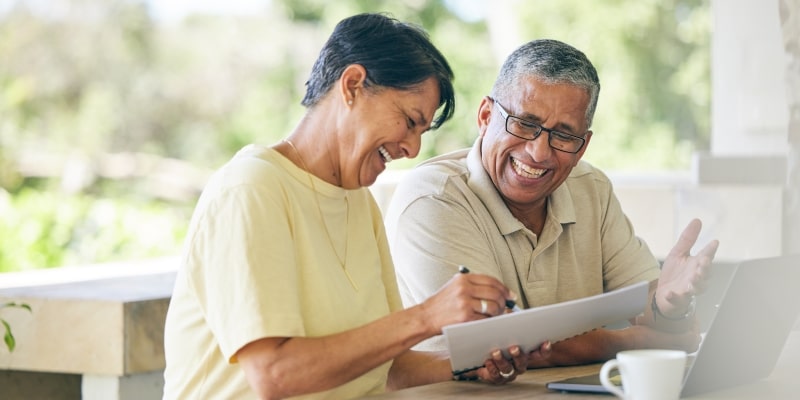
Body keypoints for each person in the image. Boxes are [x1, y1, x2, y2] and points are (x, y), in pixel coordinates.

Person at [162, 13, 528, 400]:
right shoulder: (251, 189)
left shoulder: (360, 202)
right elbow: (274, 375)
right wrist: (425, 317)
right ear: (352, 85)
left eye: (421, 132)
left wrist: (472, 369)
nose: (413, 149)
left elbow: (390, 371)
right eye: (408, 120)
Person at [384, 38, 720, 367]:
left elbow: (658, 317)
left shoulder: (592, 189)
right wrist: (633, 342)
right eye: (525, 123)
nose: (539, 152)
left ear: (583, 146)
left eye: (563, 135)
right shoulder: (433, 197)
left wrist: (667, 305)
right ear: (486, 116)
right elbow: (490, 342)